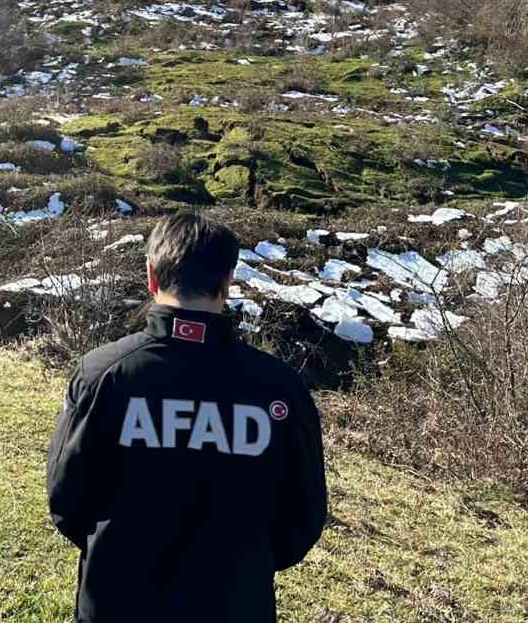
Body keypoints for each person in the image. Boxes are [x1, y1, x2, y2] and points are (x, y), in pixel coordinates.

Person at [45, 210, 327, 622]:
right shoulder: (280, 388)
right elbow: (302, 518)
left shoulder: (101, 373)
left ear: (151, 276)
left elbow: (67, 499)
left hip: (117, 601)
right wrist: (242, 567)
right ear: (227, 281)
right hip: (235, 605)